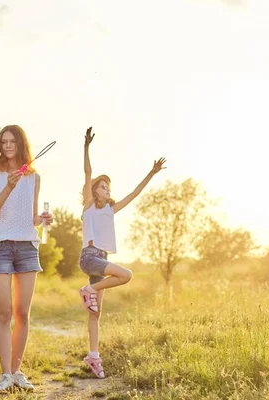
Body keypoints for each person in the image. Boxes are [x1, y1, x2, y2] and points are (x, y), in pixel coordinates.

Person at [79, 127, 166, 378]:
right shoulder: (88, 207)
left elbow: (136, 193)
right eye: (103, 187)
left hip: (101, 259)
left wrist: (152, 172)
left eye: (108, 187)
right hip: (89, 256)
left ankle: (93, 357)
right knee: (126, 275)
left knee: (96, 314)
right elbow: (88, 172)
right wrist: (86, 147)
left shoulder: (112, 209)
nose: (107, 190)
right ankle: (89, 290)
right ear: (95, 191)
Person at [0, 125, 53, 394]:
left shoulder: (33, 178)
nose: (9, 145)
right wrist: (9, 186)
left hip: (27, 247)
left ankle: (16, 373)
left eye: (13, 141)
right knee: (4, 312)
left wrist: (42, 220)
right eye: (4, 141)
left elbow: (30, 218)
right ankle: (4, 375)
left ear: (21, 144)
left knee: (23, 313)